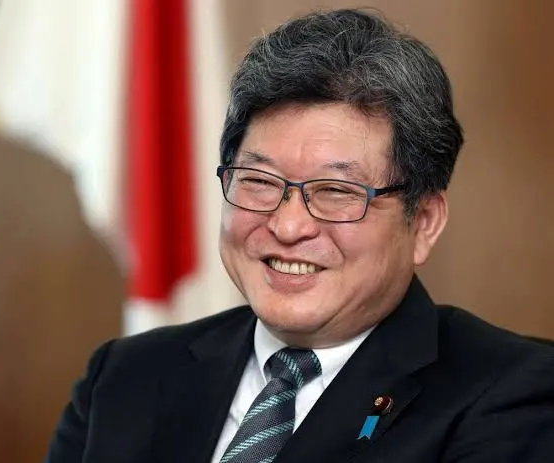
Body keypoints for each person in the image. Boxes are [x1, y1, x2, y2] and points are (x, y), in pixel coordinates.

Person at [45, 9, 554, 462]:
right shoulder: (124, 377)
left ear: (423, 222)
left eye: (335, 191)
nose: (287, 227)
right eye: (260, 182)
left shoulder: (511, 393)